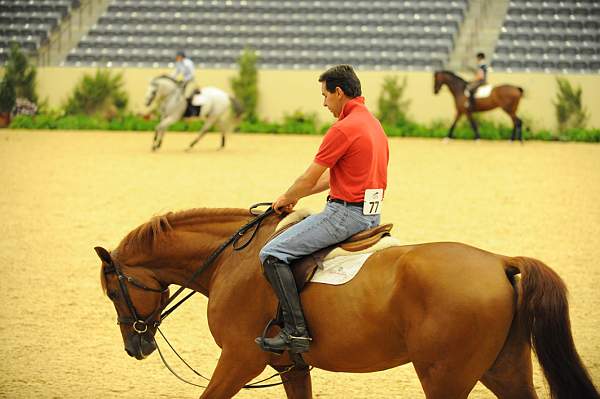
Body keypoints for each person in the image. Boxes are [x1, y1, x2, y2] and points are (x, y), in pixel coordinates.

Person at [255, 65, 389, 354]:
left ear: (338, 92)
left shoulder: (343, 128)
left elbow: (308, 177)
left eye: (325, 95)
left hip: (345, 216)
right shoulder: (373, 124)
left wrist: (286, 197)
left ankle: (296, 331)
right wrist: (296, 198)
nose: (324, 103)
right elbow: (332, 178)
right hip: (371, 215)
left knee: (271, 253)